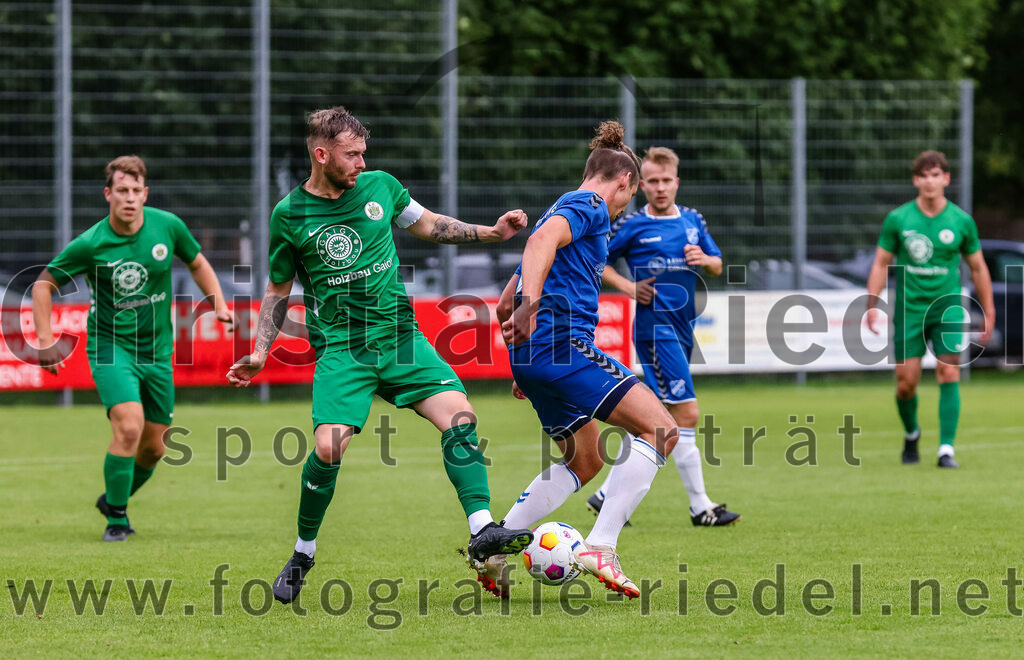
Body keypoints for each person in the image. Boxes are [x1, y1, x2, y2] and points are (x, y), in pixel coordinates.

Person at [225, 106, 533, 604]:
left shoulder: (382, 188)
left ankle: (482, 531)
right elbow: (278, 290)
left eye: (364, 153)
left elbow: (431, 225)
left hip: (400, 339)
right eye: (352, 155)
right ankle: (304, 552)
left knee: (461, 418)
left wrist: (493, 233)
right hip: (343, 351)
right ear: (321, 155)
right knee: (328, 448)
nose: (362, 164)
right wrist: (262, 349)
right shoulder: (289, 216)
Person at [486, 121, 680, 599]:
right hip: (563, 348)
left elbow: (504, 305)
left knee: (586, 458)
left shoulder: (562, 211)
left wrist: (524, 359)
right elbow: (534, 249)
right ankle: (602, 546)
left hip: (538, 357)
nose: (621, 209)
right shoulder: (589, 204)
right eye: (626, 199)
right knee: (662, 430)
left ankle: (492, 547)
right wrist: (533, 315)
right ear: (624, 183)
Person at [32, 155, 234, 542]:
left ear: (146, 194)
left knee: (154, 449)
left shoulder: (167, 226)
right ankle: (118, 520)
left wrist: (220, 304)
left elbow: (197, 263)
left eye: (135, 191)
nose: (129, 198)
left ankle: (113, 498)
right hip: (111, 349)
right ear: (108, 194)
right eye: (121, 191)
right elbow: (43, 285)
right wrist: (44, 339)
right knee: (128, 427)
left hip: (157, 352)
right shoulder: (92, 243)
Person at [586, 146, 740, 527]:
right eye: (651, 182)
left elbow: (719, 264)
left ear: (676, 182)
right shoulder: (634, 224)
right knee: (686, 412)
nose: (659, 188)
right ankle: (700, 506)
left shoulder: (692, 220)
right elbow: (596, 259)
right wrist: (627, 286)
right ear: (640, 185)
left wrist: (706, 261)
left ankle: (606, 494)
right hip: (656, 331)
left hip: (684, 327)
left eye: (665, 180)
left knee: (657, 418)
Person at [866, 150, 995, 469]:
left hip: (948, 307)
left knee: (948, 370)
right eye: (923, 175)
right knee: (905, 383)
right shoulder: (899, 219)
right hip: (909, 309)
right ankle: (912, 433)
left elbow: (978, 268)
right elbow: (881, 262)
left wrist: (989, 311)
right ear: (915, 180)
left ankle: (946, 450)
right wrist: (872, 302)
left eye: (936, 175)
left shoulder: (961, 221)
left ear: (946, 179)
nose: (929, 181)